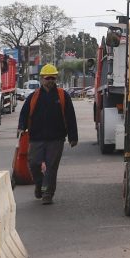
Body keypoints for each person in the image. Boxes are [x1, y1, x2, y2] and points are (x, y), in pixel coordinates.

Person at [18, 64, 78, 205]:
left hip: (56, 139)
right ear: (42, 79)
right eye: (48, 78)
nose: (50, 80)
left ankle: (48, 194)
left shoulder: (63, 96)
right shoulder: (33, 97)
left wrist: (73, 137)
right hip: (36, 138)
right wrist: (21, 127)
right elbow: (24, 114)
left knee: (51, 167)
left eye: (53, 78)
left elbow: (70, 117)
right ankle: (39, 185)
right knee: (33, 164)